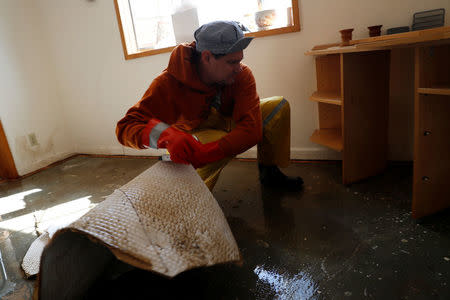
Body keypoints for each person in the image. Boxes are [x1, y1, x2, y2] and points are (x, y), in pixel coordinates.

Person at [116, 20, 303, 191]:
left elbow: (251, 130)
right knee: (209, 151)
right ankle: (193, 195)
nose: (239, 67)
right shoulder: (167, 83)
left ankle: (269, 174)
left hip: (227, 125)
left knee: (278, 107)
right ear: (206, 57)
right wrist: (166, 136)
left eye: (240, 60)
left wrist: (207, 154)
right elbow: (126, 127)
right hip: (196, 136)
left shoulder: (241, 74)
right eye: (232, 62)